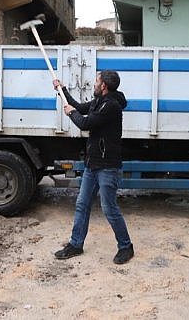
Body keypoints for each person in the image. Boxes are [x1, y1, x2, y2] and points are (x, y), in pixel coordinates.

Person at [52, 70, 134, 264]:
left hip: (107, 167)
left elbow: (85, 123)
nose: (94, 84)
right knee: (82, 204)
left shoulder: (111, 106)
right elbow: (80, 107)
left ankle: (126, 246)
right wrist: (61, 90)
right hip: (92, 164)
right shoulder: (99, 102)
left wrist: (70, 112)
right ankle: (75, 244)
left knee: (109, 208)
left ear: (104, 85)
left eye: (97, 81)